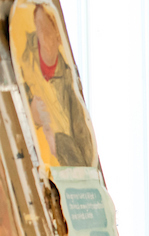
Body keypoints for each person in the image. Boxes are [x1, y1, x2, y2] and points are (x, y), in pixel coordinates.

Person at [15, 2, 96, 167]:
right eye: (40, 30)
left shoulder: (67, 82)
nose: (44, 38)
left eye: (48, 32)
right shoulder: (25, 61)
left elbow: (83, 157)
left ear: (58, 37)